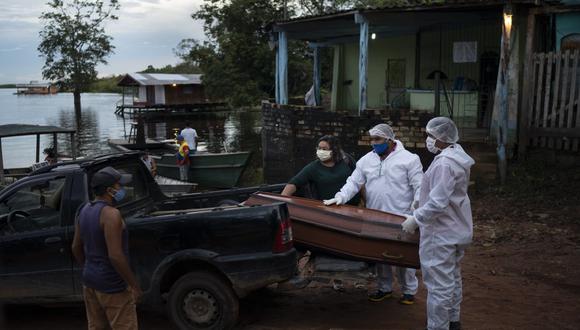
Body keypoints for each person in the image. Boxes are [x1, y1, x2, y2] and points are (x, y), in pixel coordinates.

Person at [324, 123, 422, 305]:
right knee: (380, 254)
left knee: (403, 256)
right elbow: (353, 182)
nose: (374, 143)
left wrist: (416, 214)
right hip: (376, 216)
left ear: (390, 140)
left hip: (402, 216)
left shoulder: (409, 159)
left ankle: (408, 290)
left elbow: (419, 187)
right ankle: (384, 288)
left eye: (378, 139)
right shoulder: (366, 160)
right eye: (372, 139)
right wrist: (340, 197)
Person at [401, 117, 475, 330]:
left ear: (442, 138)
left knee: (438, 286)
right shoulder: (456, 155)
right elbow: (443, 195)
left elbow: (438, 202)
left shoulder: (444, 163)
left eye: (431, 136)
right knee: (452, 278)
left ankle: (437, 326)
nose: (428, 140)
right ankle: (453, 321)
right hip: (456, 229)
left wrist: (416, 219)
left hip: (440, 233)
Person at [71, 166, 142, 330]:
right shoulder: (111, 214)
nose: (122, 188)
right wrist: (134, 286)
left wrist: (89, 267)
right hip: (113, 286)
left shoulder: (83, 210)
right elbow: (115, 256)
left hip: (90, 282)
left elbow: (75, 247)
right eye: (119, 185)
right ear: (109, 190)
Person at [281, 135, 359, 205]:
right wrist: (281, 202)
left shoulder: (347, 160)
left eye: (324, 149)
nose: (321, 151)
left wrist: (364, 201)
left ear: (334, 150)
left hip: (354, 208)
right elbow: (293, 184)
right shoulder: (313, 167)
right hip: (329, 209)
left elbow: (359, 180)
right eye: (319, 148)